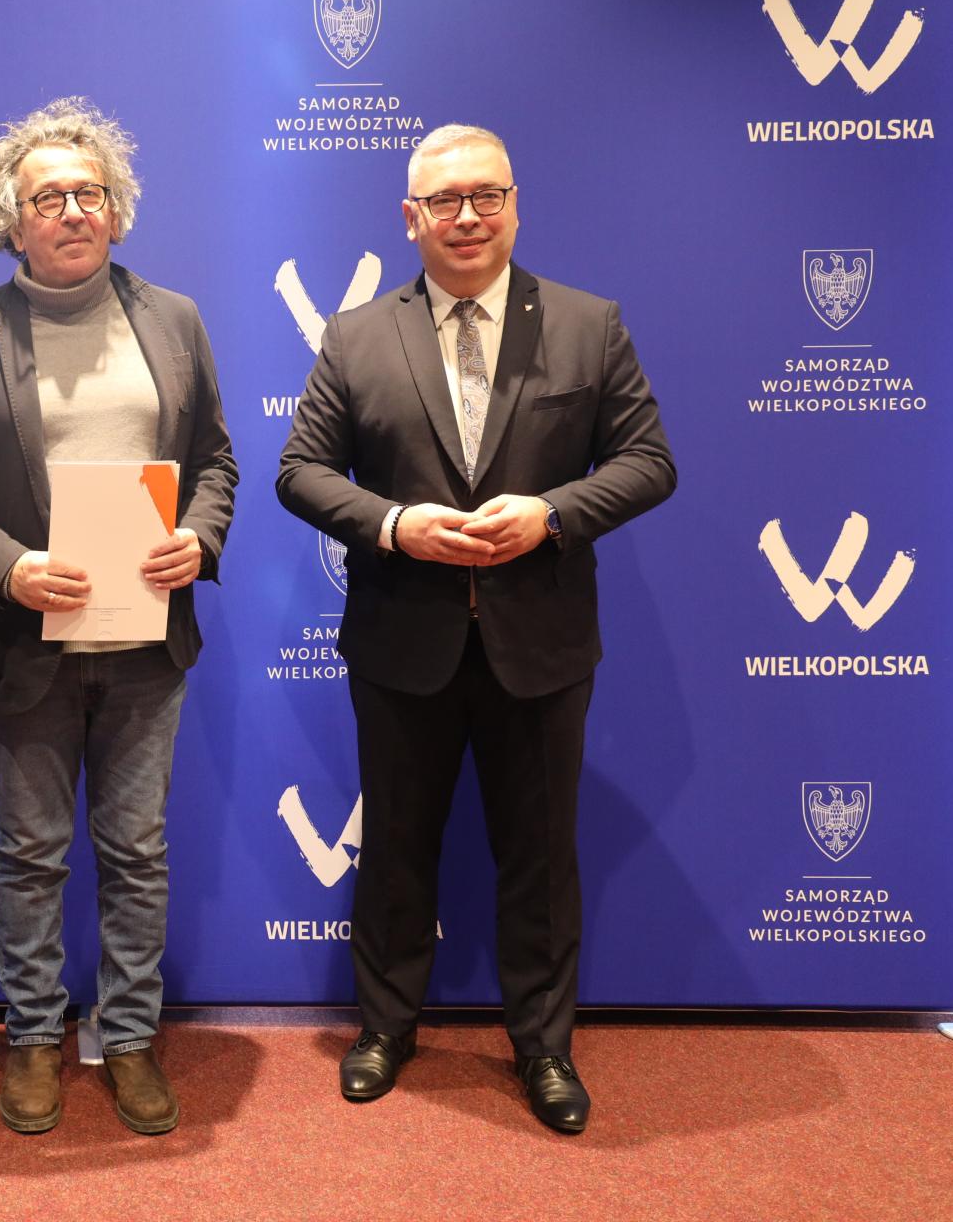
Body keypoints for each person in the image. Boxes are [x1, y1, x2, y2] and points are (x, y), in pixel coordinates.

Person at [275, 124, 675, 1134]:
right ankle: (384, 1028)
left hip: (540, 644)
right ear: (409, 218)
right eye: (444, 201)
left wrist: (554, 512)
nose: (467, 216)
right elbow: (300, 471)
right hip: (400, 640)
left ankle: (544, 1046)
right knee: (396, 847)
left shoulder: (588, 324)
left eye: (486, 195)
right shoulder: (356, 336)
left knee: (540, 856)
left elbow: (648, 461)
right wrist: (393, 524)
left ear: (515, 205)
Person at [0, 98, 236, 1137]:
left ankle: (129, 1036)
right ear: (13, 220)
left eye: (89, 192)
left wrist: (201, 538)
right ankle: (35, 1037)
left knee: (137, 852)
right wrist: (9, 568)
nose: (73, 211)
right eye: (47, 198)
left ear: (117, 209)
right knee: (32, 852)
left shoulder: (173, 319)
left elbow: (216, 462)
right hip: (26, 647)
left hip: (146, 646)